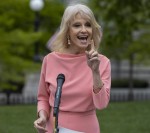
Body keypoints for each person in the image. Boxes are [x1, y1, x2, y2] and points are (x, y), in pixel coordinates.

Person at [34, 3, 111, 133]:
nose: (84, 30)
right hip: (53, 127)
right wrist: (42, 116)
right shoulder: (50, 60)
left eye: (88, 25)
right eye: (77, 25)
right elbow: (43, 97)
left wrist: (95, 71)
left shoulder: (102, 62)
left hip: (87, 129)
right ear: (67, 31)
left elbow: (101, 104)